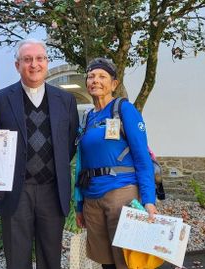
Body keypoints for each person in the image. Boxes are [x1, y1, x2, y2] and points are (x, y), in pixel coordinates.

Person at [0, 39, 79, 269]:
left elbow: (69, 142)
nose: (34, 64)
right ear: (17, 65)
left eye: (39, 58)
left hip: (52, 190)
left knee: (51, 258)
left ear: (47, 63)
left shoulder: (66, 100)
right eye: (27, 59)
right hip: (15, 192)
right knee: (17, 259)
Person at [75, 58, 158, 269]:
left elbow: (142, 157)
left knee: (128, 261)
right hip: (92, 199)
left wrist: (149, 200)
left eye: (102, 76)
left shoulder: (124, 109)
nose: (95, 80)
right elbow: (80, 165)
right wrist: (79, 204)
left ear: (114, 83)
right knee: (106, 263)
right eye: (91, 76)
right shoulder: (87, 118)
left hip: (122, 194)